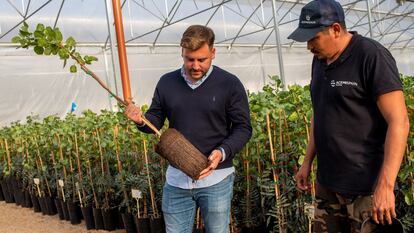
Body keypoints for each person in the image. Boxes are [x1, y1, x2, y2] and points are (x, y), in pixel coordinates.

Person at [288, 0, 410, 232]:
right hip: (328, 183)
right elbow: (320, 112)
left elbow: (399, 121)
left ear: (335, 29)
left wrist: (385, 186)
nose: (309, 46)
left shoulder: (371, 56)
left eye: (313, 38)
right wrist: (307, 161)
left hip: (365, 188)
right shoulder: (320, 60)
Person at [125, 25, 252, 233]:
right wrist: (140, 120)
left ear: (213, 53)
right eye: (189, 59)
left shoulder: (229, 84)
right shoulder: (167, 83)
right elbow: (154, 120)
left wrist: (222, 152)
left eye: (201, 59)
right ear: (182, 53)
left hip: (217, 179)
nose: (194, 66)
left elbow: (243, 128)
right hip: (177, 180)